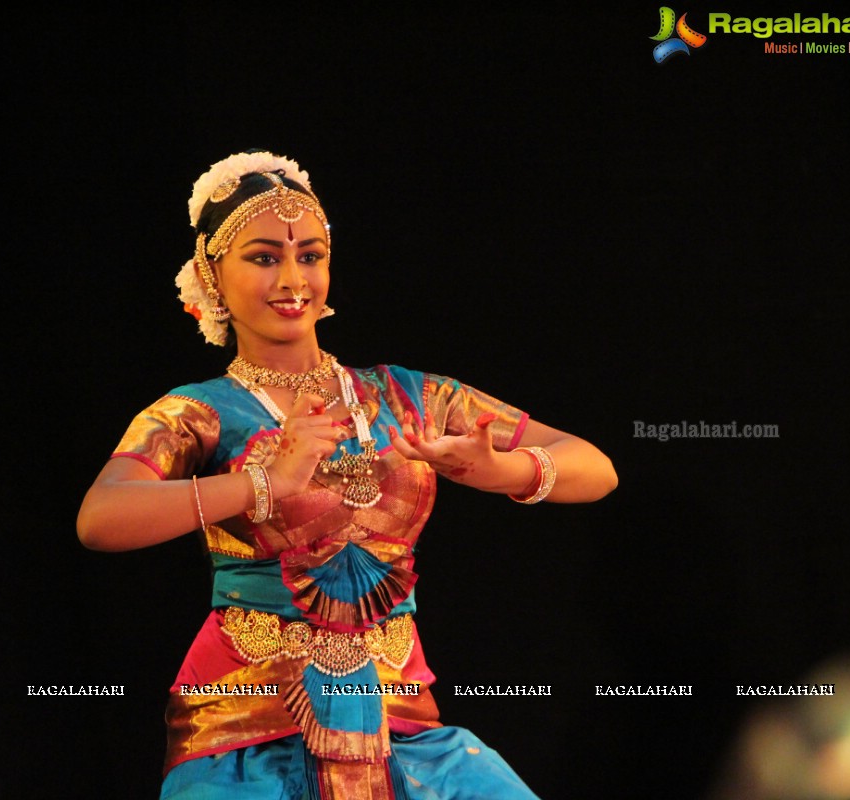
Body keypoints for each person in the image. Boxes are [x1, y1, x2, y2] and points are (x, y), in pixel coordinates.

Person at [77, 151, 617, 799]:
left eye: (309, 255)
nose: (292, 278)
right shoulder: (199, 413)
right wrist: (258, 484)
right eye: (263, 257)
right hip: (247, 725)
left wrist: (507, 468)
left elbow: (598, 469)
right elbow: (102, 518)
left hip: (403, 721)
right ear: (209, 276)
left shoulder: (409, 398)